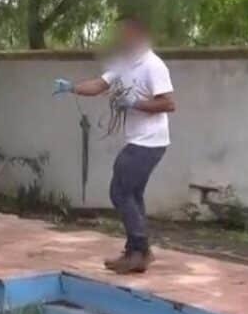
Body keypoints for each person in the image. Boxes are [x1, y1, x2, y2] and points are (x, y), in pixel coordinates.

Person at [53, 16, 175, 274]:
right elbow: (99, 85)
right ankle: (138, 251)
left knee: (119, 192)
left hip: (151, 141)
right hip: (137, 139)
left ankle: (139, 250)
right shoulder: (124, 63)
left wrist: (134, 103)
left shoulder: (153, 65)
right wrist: (72, 88)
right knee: (132, 194)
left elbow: (168, 103)